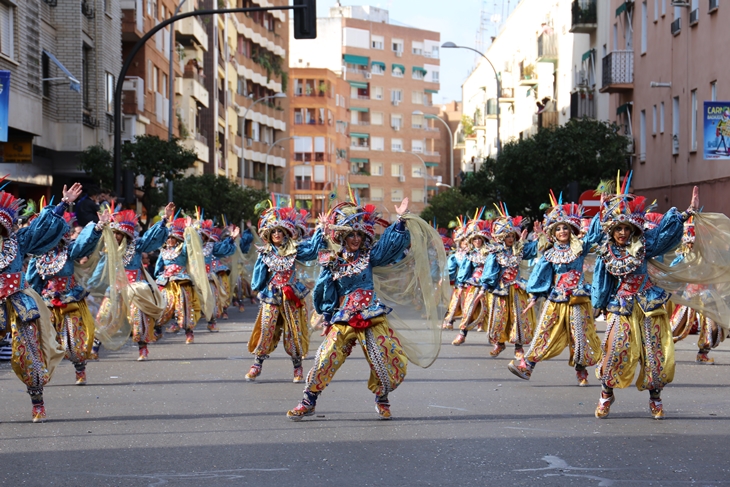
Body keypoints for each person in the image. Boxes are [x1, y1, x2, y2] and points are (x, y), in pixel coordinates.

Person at [287, 199, 411, 421]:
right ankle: (309, 400)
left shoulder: (369, 257)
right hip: (343, 315)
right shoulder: (332, 261)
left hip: (371, 314)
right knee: (326, 356)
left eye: (359, 235)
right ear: (343, 237)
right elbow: (324, 290)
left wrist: (400, 221)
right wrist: (326, 316)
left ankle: (382, 398)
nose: (355, 239)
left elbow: (388, 248)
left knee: (385, 356)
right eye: (351, 235)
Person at [591, 177, 699, 420]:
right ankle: (606, 394)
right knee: (616, 349)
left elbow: (664, 234)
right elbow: (601, 282)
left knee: (654, 351)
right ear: (611, 230)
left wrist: (686, 213)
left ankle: (655, 398)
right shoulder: (606, 252)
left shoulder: (644, 245)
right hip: (622, 305)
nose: (621, 233)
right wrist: (598, 306)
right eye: (617, 228)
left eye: (626, 228)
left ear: (633, 230)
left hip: (649, 302)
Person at [0, 181, 83, 422]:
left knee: (30, 353)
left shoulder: (18, 242)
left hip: (17, 302)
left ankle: (37, 402)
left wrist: (63, 204)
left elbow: (39, 228)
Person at [507, 198, 602, 385]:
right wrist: (534, 296)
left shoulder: (579, 247)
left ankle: (581, 370)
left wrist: (602, 210)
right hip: (556, 298)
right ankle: (528, 367)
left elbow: (594, 235)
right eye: (558, 229)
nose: (562, 232)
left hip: (578, 298)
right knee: (544, 331)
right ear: (553, 232)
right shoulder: (550, 253)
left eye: (565, 228)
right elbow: (541, 274)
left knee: (580, 334)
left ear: (571, 230)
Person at [26, 210, 110, 386]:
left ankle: (80, 368)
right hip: (47, 302)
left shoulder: (69, 251)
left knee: (72, 339)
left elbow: (83, 244)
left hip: (69, 300)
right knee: (45, 340)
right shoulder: (38, 258)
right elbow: (33, 283)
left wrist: (97, 228)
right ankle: (43, 373)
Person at [245, 206, 325, 382]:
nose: (277, 234)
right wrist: (258, 288)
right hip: (272, 296)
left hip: (292, 296)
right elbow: (258, 276)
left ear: (286, 233)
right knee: (266, 328)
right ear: (269, 234)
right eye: (273, 231)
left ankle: (297, 367)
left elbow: (312, 252)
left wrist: (320, 229)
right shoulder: (264, 253)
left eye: (280, 231)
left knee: (293, 331)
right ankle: (257, 364)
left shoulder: (295, 250)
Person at [93, 204, 174, 360]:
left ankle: (143, 349)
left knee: (139, 318)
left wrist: (163, 220)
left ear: (126, 235)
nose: (115, 236)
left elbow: (151, 237)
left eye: (118, 234)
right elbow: (98, 270)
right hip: (115, 288)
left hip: (135, 289)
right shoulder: (108, 249)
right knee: (104, 316)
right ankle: (95, 348)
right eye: (114, 233)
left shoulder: (136, 246)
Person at [480, 211, 538, 358]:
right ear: (501, 237)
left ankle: (519, 347)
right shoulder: (495, 252)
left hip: (517, 288)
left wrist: (540, 236)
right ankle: (499, 343)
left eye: (512, 236)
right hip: (501, 289)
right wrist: (485, 287)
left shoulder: (519, 249)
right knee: (499, 316)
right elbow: (490, 270)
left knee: (518, 316)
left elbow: (535, 249)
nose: (510, 239)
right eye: (507, 236)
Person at [669, 217, 726, 364]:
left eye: (693, 240)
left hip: (708, 296)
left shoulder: (710, 256)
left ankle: (702, 353)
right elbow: (672, 273)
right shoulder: (683, 256)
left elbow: (719, 273)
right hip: (690, 296)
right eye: (688, 240)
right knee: (675, 328)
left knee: (713, 327)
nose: (690, 243)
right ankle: (662, 352)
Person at [155, 217, 209, 344]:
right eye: (168, 238)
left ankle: (189, 332)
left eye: (173, 238)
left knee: (184, 306)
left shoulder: (182, 250)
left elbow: (190, 245)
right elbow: (158, 267)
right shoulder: (163, 252)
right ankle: (158, 329)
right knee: (165, 306)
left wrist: (189, 230)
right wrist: (158, 277)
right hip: (166, 282)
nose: (170, 240)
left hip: (182, 282)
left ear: (178, 239)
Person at [452, 219, 493, 345]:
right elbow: (464, 269)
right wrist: (460, 284)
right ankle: (462, 333)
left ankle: (497, 340)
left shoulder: (491, 252)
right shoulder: (469, 254)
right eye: (475, 239)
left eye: (480, 238)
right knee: (469, 308)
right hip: (474, 284)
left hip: (490, 286)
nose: (477, 241)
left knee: (494, 312)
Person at [442, 218, 469, 330]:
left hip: (474, 284)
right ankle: (449, 321)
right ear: (459, 242)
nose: (466, 243)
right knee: (455, 303)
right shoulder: (456, 256)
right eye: (463, 241)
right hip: (460, 284)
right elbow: (450, 269)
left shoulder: (477, 254)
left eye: (467, 241)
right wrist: (445, 278)